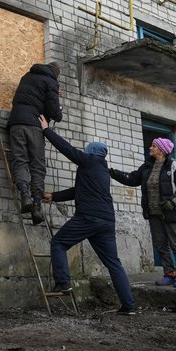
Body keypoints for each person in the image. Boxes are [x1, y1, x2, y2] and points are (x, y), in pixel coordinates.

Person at [39, 115, 136, 315]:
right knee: (113, 263)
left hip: (89, 217)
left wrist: (46, 130)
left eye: (87, 150)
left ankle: (63, 283)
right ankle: (129, 306)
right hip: (107, 221)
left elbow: (67, 149)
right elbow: (78, 191)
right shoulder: (102, 171)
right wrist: (54, 196)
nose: (84, 152)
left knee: (58, 243)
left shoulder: (89, 161)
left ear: (91, 152)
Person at [110, 138, 176, 288]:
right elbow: (133, 178)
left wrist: (172, 202)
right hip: (154, 214)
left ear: (162, 150)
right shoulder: (147, 167)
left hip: (172, 213)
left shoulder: (175, 166)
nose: (150, 148)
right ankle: (169, 274)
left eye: (153, 146)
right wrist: (114, 173)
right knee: (161, 245)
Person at [7, 62, 63, 224]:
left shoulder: (27, 76)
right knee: (37, 165)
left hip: (16, 123)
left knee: (20, 160)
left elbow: (32, 96)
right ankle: (37, 205)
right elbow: (53, 110)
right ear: (56, 73)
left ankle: (24, 195)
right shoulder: (51, 81)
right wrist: (59, 113)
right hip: (34, 126)